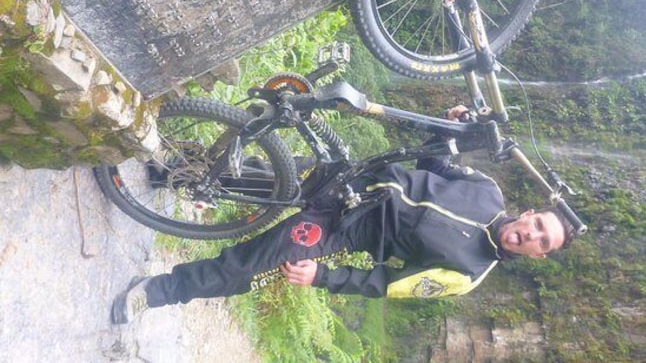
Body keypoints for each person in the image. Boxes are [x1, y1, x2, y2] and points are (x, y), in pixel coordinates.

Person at [111, 106, 576, 324]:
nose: (530, 234)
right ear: (531, 212)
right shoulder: (489, 191)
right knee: (264, 176)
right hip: (354, 178)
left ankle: (158, 292)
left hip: (342, 228)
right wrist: (446, 121)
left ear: (537, 255)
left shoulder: (469, 273)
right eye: (538, 224)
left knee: (251, 266)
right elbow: (433, 163)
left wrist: (322, 277)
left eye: (542, 241)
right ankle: (169, 169)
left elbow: (386, 284)